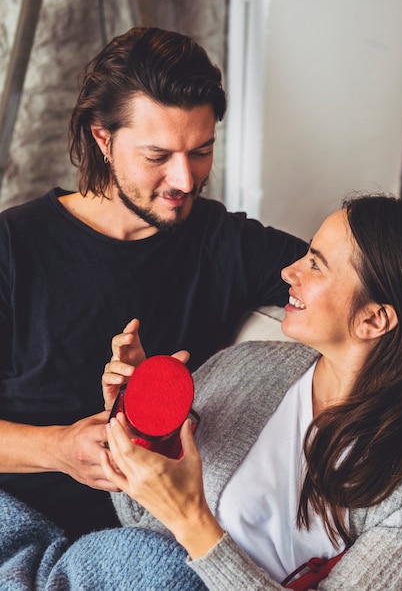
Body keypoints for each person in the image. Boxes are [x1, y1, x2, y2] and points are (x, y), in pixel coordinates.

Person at [0, 26, 307, 541]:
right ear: (103, 138)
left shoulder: (228, 243)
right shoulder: (14, 246)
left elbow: (354, 286)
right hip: (22, 520)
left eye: (202, 150)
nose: (185, 180)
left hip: (158, 532)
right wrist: (58, 448)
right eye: (158, 157)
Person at [98, 194, 402, 590]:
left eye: (315, 264)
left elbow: (178, 523)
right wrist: (136, 420)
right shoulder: (245, 365)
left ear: (373, 319)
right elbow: (138, 525)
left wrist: (191, 520)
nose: (288, 271)